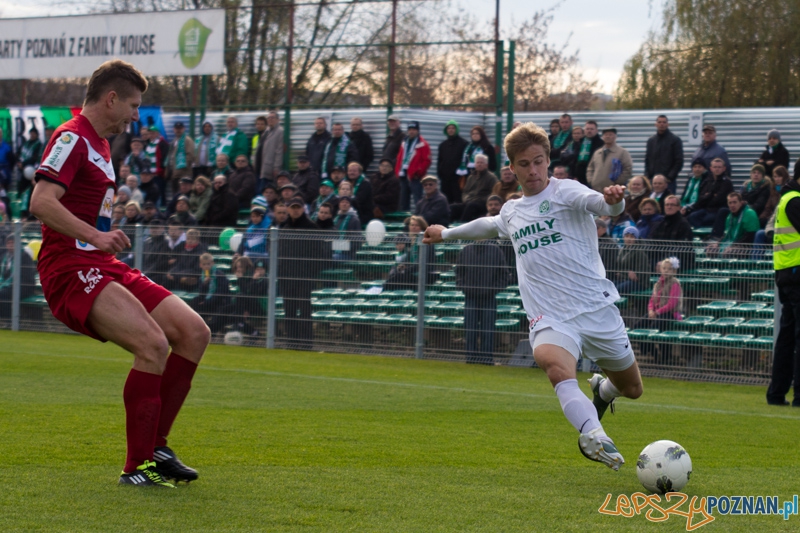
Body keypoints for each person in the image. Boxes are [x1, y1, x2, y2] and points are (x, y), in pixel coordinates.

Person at [30, 59, 208, 487]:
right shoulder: (71, 137)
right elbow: (41, 201)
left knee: (193, 332)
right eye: (133, 105)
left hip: (99, 262)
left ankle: (157, 448)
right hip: (69, 268)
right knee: (151, 344)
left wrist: (102, 235)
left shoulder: (102, 144)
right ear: (111, 99)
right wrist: (95, 233)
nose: (135, 115)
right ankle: (137, 466)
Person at [424, 122, 642, 470]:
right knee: (555, 367)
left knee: (632, 389)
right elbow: (490, 224)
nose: (533, 170)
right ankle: (594, 436)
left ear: (547, 159)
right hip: (550, 316)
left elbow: (600, 204)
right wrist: (446, 233)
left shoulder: (565, 191)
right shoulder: (512, 211)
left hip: (596, 309)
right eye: (524, 164)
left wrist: (614, 203)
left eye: (539, 161)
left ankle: (604, 391)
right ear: (512, 168)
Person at [767, 168, 800, 406]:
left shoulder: (786, 198)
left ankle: (776, 393)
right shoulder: (795, 200)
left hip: (787, 273)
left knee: (787, 337)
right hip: (797, 272)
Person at [279, 196, 324, 350]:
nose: (295, 210)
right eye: (293, 207)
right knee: (289, 310)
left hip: (304, 277)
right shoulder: (284, 229)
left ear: (303, 208)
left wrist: (310, 272)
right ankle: (291, 342)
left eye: (298, 207)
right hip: (287, 277)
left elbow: (321, 254)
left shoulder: (312, 228)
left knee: (304, 310)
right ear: (288, 209)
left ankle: (306, 344)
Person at [455, 237, 510, 365]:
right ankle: (471, 358)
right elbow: (458, 272)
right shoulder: (466, 250)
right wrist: (464, 287)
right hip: (470, 297)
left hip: (488, 297)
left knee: (488, 330)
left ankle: (486, 359)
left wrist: (492, 290)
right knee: (470, 329)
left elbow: (504, 274)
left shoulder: (496, 251)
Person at [635, 257, 683, 365]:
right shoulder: (657, 284)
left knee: (654, 327)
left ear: (674, 271)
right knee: (638, 326)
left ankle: (665, 356)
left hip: (669, 313)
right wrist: (651, 310)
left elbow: (671, 304)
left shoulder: (675, 284)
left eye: (669, 269)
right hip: (656, 312)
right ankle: (653, 353)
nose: (666, 271)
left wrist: (658, 312)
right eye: (664, 268)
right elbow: (652, 300)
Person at [385, 215, 436, 291]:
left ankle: (381, 291)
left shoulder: (426, 242)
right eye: (412, 225)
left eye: (417, 225)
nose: (414, 227)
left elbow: (420, 263)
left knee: (395, 279)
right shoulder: (412, 241)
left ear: (422, 227)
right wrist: (403, 266)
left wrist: (406, 270)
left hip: (424, 275)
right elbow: (408, 259)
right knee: (394, 274)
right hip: (413, 273)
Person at [704, 192, 760, 258]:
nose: (732, 205)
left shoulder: (749, 213)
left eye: (735, 202)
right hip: (732, 243)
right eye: (730, 203)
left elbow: (750, 236)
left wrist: (734, 246)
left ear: (741, 202)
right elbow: (726, 234)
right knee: (710, 250)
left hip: (746, 246)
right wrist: (718, 243)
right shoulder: (729, 216)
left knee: (729, 253)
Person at [682, 157, 734, 228]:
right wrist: (711, 195)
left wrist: (707, 196)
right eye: (715, 167)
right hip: (706, 209)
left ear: (724, 168)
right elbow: (700, 198)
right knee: (691, 216)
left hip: (717, 211)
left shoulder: (726, 182)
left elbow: (718, 200)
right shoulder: (707, 181)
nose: (717, 169)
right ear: (711, 168)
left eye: (719, 167)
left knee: (705, 220)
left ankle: (707, 236)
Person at [649, 195, 695, 271]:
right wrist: (655, 263)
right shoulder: (659, 224)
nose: (669, 207)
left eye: (672, 205)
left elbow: (682, 249)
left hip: (678, 264)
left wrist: (665, 263)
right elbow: (651, 245)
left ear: (678, 207)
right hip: (658, 263)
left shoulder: (684, 225)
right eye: (667, 205)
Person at [188, 253, 231, 333]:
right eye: (204, 264)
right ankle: (193, 326)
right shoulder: (202, 276)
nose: (207, 266)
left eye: (208, 264)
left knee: (220, 310)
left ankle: (211, 330)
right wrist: (204, 284)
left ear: (212, 263)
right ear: (201, 265)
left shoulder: (219, 274)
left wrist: (207, 301)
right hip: (208, 301)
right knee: (195, 302)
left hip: (219, 301)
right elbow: (201, 293)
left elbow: (221, 292)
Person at [395, 121, 432, 210]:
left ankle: (419, 220)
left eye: (414, 129)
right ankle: (404, 221)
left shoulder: (423, 144)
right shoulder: (404, 143)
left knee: (417, 200)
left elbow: (427, 161)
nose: (411, 132)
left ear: (418, 131)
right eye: (410, 129)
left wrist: (418, 172)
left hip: (416, 177)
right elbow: (399, 158)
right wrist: (397, 171)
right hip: (403, 175)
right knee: (403, 201)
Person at [450, 154, 498, 222]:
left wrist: (479, 199)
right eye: (478, 162)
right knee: (453, 207)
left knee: (471, 206)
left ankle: (463, 225)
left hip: (482, 203)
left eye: (481, 163)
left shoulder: (491, 178)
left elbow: (494, 193)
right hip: (469, 201)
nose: (479, 164)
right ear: (475, 164)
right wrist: (466, 199)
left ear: (486, 165)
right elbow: (465, 192)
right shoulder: (471, 177)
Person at [0, 233, 37, 320]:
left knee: (3, 294)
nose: (10, 245)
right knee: (3, 293)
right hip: (10, 286)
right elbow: (4, 275)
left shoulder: (24, 256)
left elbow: (26, 276)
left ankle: (8, 320)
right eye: (9, 243)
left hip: (24, 286)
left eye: (13, 242)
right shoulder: (5, 257)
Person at [644, 115, 683, 193]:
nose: (662, 124)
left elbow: (679, 161)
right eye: (659, 122)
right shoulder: (651, 141)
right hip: (653, 181)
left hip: (668, 182)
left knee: (668, 204)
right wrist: (647, 177)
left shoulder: (675, 140)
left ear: (668, 124)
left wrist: (669, 178)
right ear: (656, 124)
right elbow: (647, 160)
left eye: (664, 122)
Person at [587, 127, 632, 193]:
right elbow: (590, 168)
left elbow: (628, 168)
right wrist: (591, 181)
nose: (608, 137)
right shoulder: (597, 153)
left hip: (613, 190)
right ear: (602, 137)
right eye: (606, 135)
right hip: (596, 189)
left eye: (610, 135)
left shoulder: (622, 152)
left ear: (615, 137)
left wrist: (618, 182)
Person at [437, 119, 469, 204]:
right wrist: (440, 173)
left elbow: (466, 161)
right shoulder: (443, 145)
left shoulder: (463, 144)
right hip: (445, 178)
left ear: (456, 129)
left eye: (453, 128)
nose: (451, 130)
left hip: (457, 178)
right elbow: (440, 160)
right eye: (449, 128)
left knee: (458, 200)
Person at [614, 226, 649, 295]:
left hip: (639, 283)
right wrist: (627, 273)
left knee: (617, 289)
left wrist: (623, 273)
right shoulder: (621, 251)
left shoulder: (639, 251)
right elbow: (618, 269)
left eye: (632, 237)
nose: (629, 239)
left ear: (636, 239)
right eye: (627, 236)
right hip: (624, 279)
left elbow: (639, 274)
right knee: (610, 287)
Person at [166, 121, 196, 195]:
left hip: (184, 174)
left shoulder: (187, 140)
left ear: (184, 129)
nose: (178, 130)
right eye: (176, 128)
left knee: (183, 196)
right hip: (174, 175)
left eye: (180, 128)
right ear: (174, 129)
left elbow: (190, 156)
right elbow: (170, 157)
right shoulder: (174, 141)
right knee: (175, 196)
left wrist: (181, 168)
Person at [572, 120, 604, 186]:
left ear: (596, 130)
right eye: (587, 129)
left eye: (592, 129)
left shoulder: (601, 144)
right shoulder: (579, 142)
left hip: (593, 176)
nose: (589, 131)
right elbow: (574, 159)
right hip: (579, 177)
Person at [257, 111, 283, 184]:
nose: (270, 119)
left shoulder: (280, 131)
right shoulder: (266, 131)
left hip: (270, 169)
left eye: (272, 118)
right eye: (268, 118)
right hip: (260, 167)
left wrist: (276, 167)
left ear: (278, 120)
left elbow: (279, 151)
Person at [346, 161, 374, 226]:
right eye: (350, 171)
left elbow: (359, 200)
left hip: (362, 214)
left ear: (360, 172)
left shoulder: (365, 183)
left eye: (354, 171)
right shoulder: (345, 182)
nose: (351, 173)